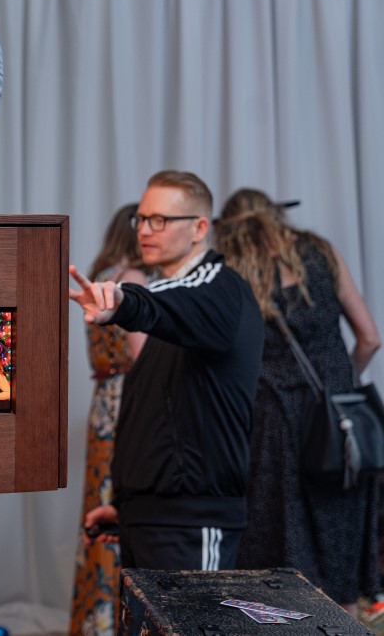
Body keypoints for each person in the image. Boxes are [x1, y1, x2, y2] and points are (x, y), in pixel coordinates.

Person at [69, 169, 263, 571]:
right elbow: (160, 415)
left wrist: (121, 300)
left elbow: (152, 301)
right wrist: (128, 506)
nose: (145, 230)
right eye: (141, 218)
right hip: (149, 519)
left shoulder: (218, 289)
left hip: (194, 523)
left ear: (199, 228)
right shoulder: (176, 304)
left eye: (160, 220)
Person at [215, 188, 381, 612]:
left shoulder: (234, 273)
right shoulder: (320, 252)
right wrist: (338, 386)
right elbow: (369, 338)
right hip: (339, 425)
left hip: (274, 424)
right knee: (338, 536)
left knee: (281, 543)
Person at [69, 203, 148, 636]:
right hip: (126, 400)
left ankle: (92, 620)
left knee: (98, 503)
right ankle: (117, 622)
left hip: (103, 400)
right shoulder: (134, 279)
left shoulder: (104, 272)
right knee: (121, 504)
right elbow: (141, 355)